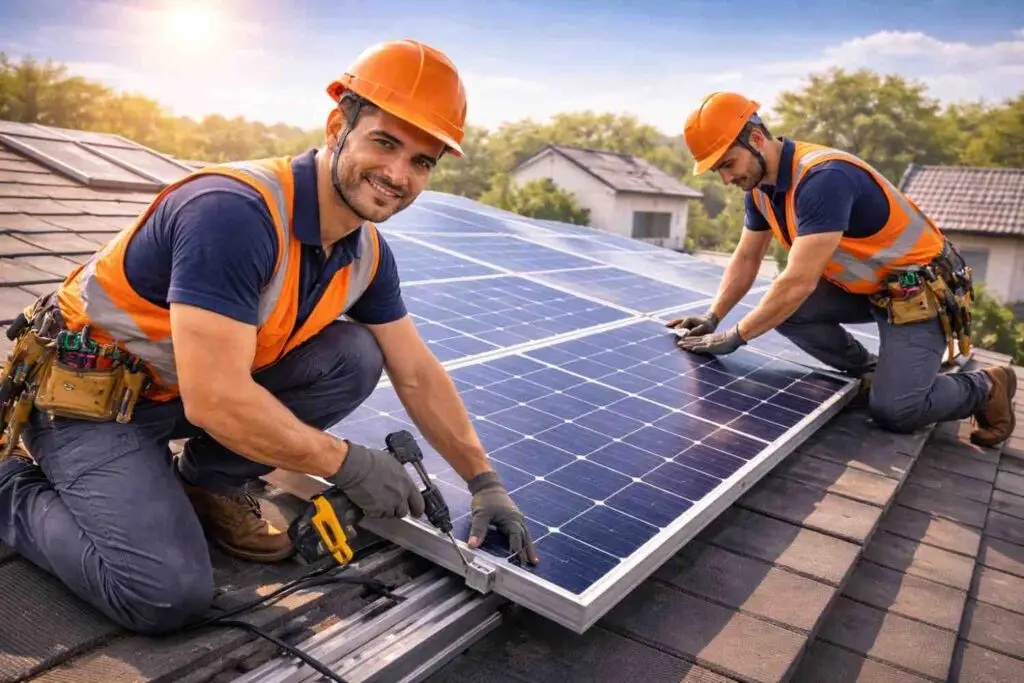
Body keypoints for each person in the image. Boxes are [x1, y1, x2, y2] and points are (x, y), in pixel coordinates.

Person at [0, 38, 537, 636]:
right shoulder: (232, 213)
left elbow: (414, 370)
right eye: (385, 143)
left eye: (422, 161)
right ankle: (9, 487)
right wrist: (349, 464)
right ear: (338, 126)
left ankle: (207, 481)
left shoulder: (366, 252)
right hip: (85, 404)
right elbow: (216, 400)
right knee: (164, 594)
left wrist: (484, 481)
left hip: (168, 397)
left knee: (356, 355)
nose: (398, 175)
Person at [669, 91, 1016, 445]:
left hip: (920, 291)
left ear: (757, 139)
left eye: (728, 164)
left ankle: (985, 386)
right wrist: (714, 316)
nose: (726, 179)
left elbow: (798, 282)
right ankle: (870, 373)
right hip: (869, 288)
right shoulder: (760, 188)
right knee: (782, 310)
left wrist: (736, 336)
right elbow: (746, 258)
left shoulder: (823, 178)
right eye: (718, 171)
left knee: (897, 411)